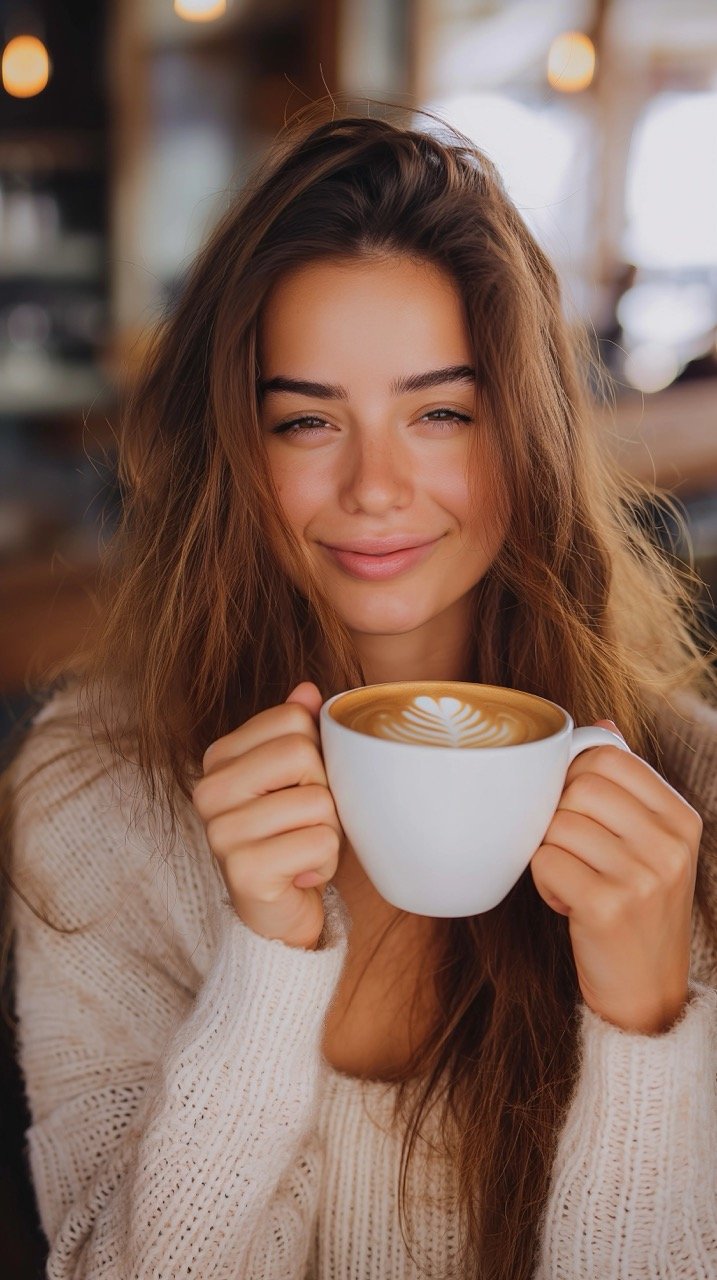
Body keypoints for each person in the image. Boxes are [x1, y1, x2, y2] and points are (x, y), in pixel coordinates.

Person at [2, 100, 717, 1280]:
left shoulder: (681, 800)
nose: (375, 485)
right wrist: (267, 967)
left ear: (525, 435)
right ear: (238, 446)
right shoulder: (100, 791)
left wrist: (645, 1025)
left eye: (439, 412)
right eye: (306, 420)